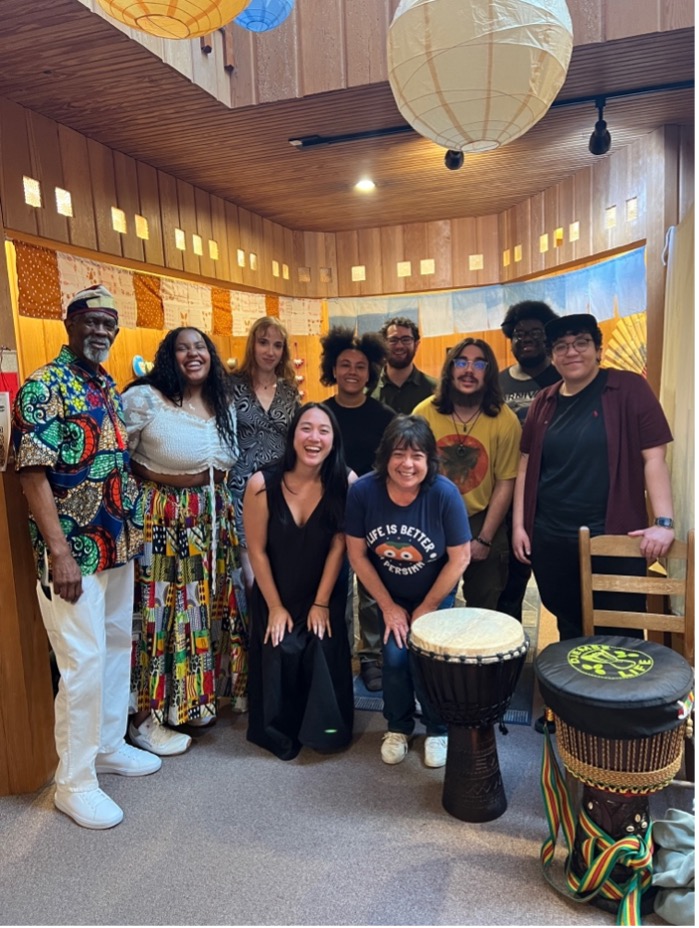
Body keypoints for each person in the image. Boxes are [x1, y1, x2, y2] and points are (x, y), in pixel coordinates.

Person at [12, 284, 160, 830]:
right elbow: (33, 473)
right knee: (83, 663)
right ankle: (74, 782)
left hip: (115, 545)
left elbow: (116, 466)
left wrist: (134, 532)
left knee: (117, 644)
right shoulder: (43, 387)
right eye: (92, 321)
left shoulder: (105, 384)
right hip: (73, 555)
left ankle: (108, 745)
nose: (101, 331)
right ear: (69, 323)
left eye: (109, 324)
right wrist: (59, 552)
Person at [511, 314, 675, 731]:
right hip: (551, 532)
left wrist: (663, 521)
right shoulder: (544, 402)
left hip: (614, 533)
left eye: (581, 343)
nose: (572, 352)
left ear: (597, 348)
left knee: (617, 622)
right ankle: (572, 711)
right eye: (562, 346)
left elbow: (653, 456)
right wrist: (519, 524)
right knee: (568, 620)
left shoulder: (628, 389)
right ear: (553, 355)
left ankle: (619, 718)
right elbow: (527, 464)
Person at [122, 327, 247, 756]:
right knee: (162, 614)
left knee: (201, 616)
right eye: (182, 348)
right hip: (165, 521)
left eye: (200, 347)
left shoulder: (222, 399)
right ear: (168, 357)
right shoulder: (145, 399)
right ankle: (144, 718)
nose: (193, 354)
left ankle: (188, 700)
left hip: (211, 519)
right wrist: (156, 481)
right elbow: (118, 458)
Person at [346, 415, 471, 767]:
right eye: (399, 454)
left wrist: (429, 606)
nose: (407, 464)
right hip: (391, 596)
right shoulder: (363, 492)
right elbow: (357, 554)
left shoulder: (443, 494)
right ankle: (398, 727)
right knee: (396, 658)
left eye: (417, 456)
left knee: (426, 658)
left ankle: (437, 728)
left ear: (429, 461)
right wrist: (387, 606)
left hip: (436, 593)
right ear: (385, 456)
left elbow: (460, 558)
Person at [244, 403, 354, 760]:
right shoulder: (262, 484)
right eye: (306, 428)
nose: (314, 437)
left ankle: (322, 729)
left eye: (324, 431)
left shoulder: (345, 482)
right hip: (275, 587)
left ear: (334, 440)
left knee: (320, 641)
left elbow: (340, 546)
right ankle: (281, 730)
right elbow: (256, 551)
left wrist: (321, 603)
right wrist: (275, 607)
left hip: (323, 588)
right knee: (281, 644)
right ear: (292, 435)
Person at [413, 339, 521, 611]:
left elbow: (506, 482)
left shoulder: (505, 420)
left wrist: (484, 538)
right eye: (461, 362)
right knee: (430, 603)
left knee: (484, 607)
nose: (469, 370)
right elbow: (410, 474)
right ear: (450, 370)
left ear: (490, 372)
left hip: (482, 518)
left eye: (479, 363)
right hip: (432, 515)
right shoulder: (423, 414)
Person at [320, 326, 395, 693]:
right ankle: (336, 650)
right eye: (344, 364)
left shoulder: (385, 416)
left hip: (371, 515)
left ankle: (371, 656)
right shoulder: (319, 414)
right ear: (332, 369)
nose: (352, 371)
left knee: (370, 588)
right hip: (327, 515)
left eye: (360, 366)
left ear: (371, 372)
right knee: (332, 586)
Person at [497, 300, 561, 621]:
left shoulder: (563, 377)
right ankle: (508, 665)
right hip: (508, 495)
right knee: (507, 588)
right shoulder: (495, 383)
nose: (527, 339)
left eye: (536, 332)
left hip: (553, 495)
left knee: (563, 590)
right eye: (520, 334)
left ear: (549, 339)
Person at [228, 317, 300, 591]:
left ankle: (278, 628)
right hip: (241, 486)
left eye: (277, 345)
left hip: (279, 486)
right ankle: (252, 630)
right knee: (249, 573)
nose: (270, 351)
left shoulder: (288, 390)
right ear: (252, 346)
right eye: (263, 343)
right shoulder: (231, 384)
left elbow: (296, 438)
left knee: (279, 561)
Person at [372, 316, 436, 413]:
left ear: (416, 345)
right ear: (383, 345)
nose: (399, 346)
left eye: (406, 340)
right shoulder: (368, 389)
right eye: (393, 340)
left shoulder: (435, 390)